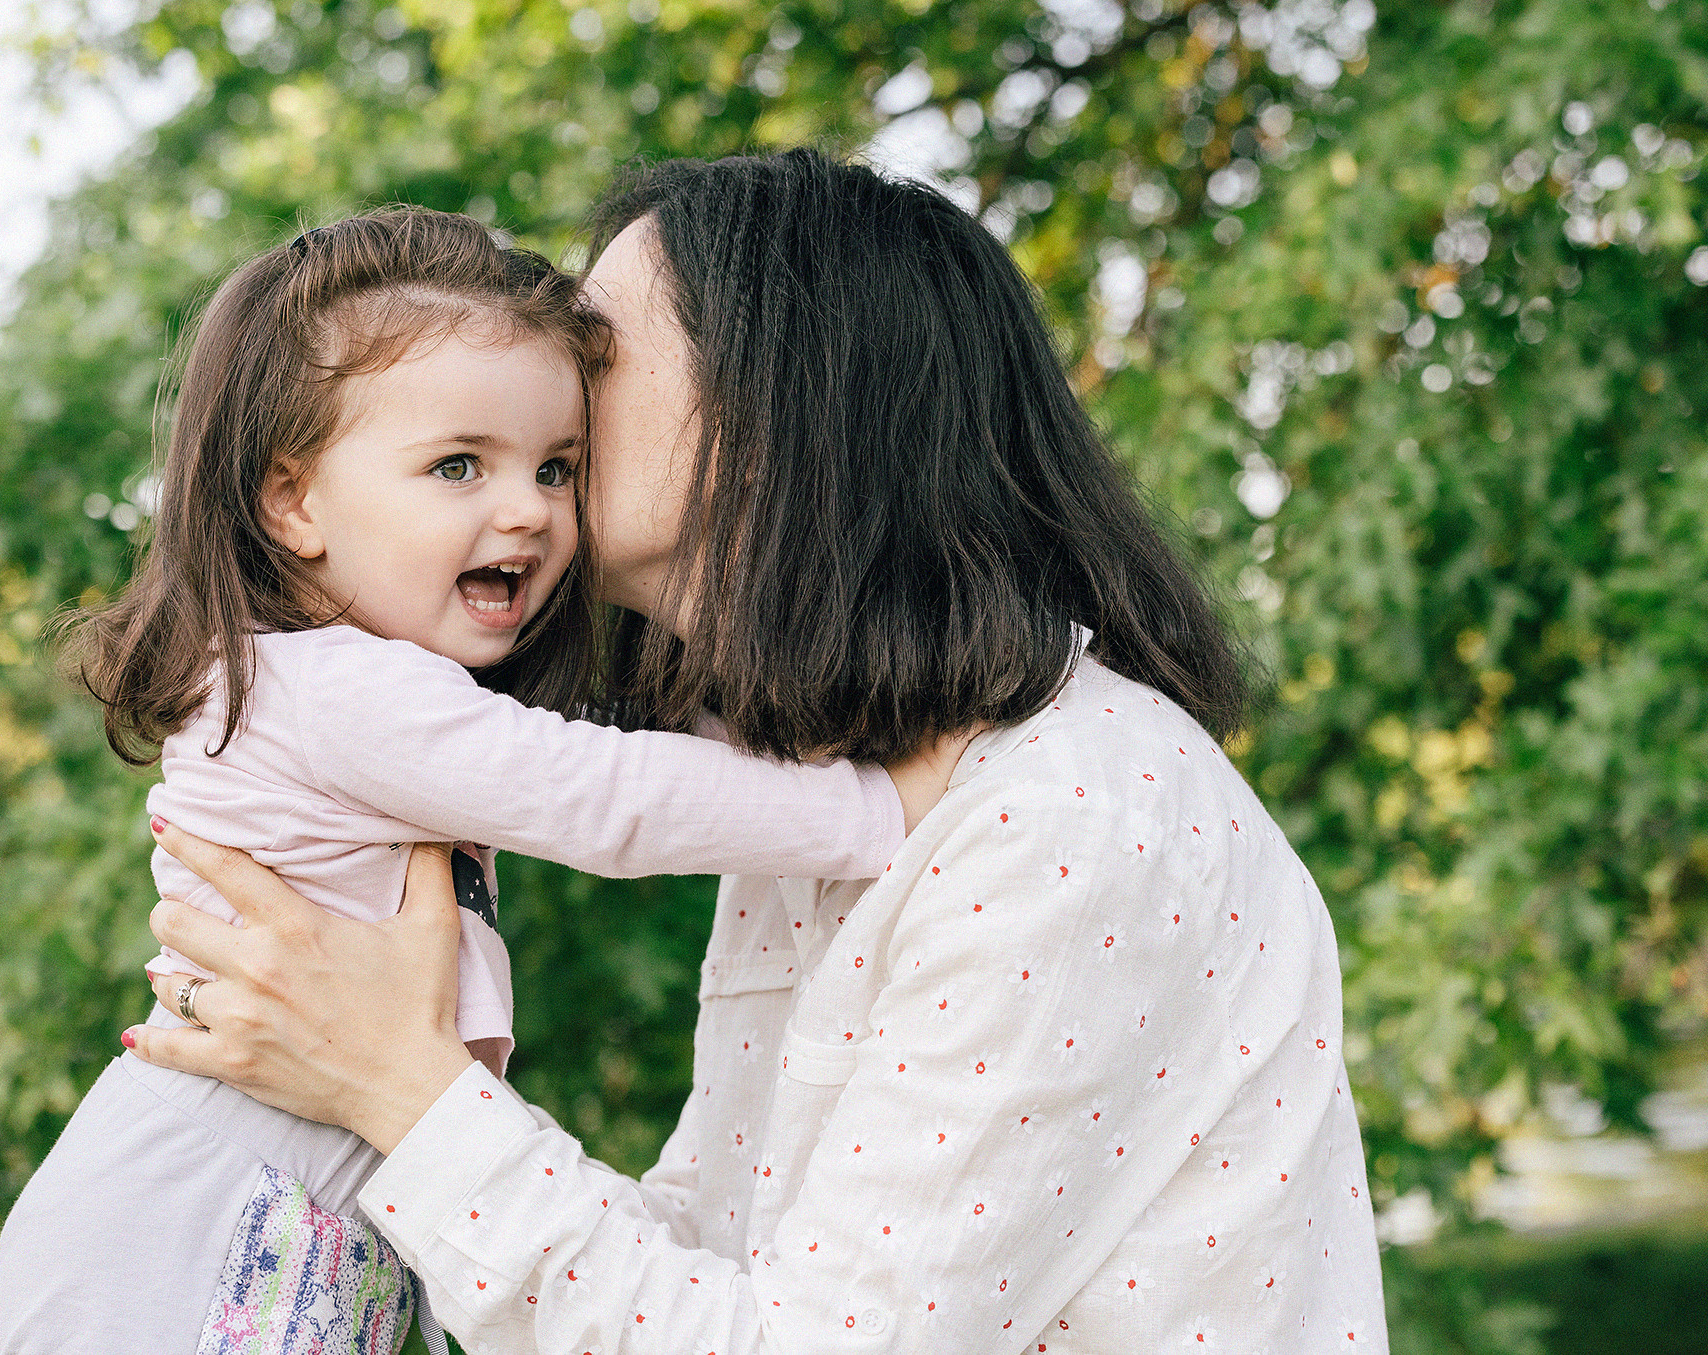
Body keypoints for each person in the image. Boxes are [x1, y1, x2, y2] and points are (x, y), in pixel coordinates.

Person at [126, 150, 1391, 1353]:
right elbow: (720, 1261)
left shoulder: (1061, 816)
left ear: (781, 393)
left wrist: (401, 1091)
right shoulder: (832, 779)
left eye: (601, 349)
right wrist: (399, 1096)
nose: (557, 374)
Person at [0, 206, 918, 1355]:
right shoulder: (335, 691)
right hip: (191, 1214)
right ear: (293, 502)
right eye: (457, 464)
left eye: (558, 466)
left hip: (286, 1192)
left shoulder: (338, 693)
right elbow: (601, 797)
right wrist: (878, 811)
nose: (527, 506)